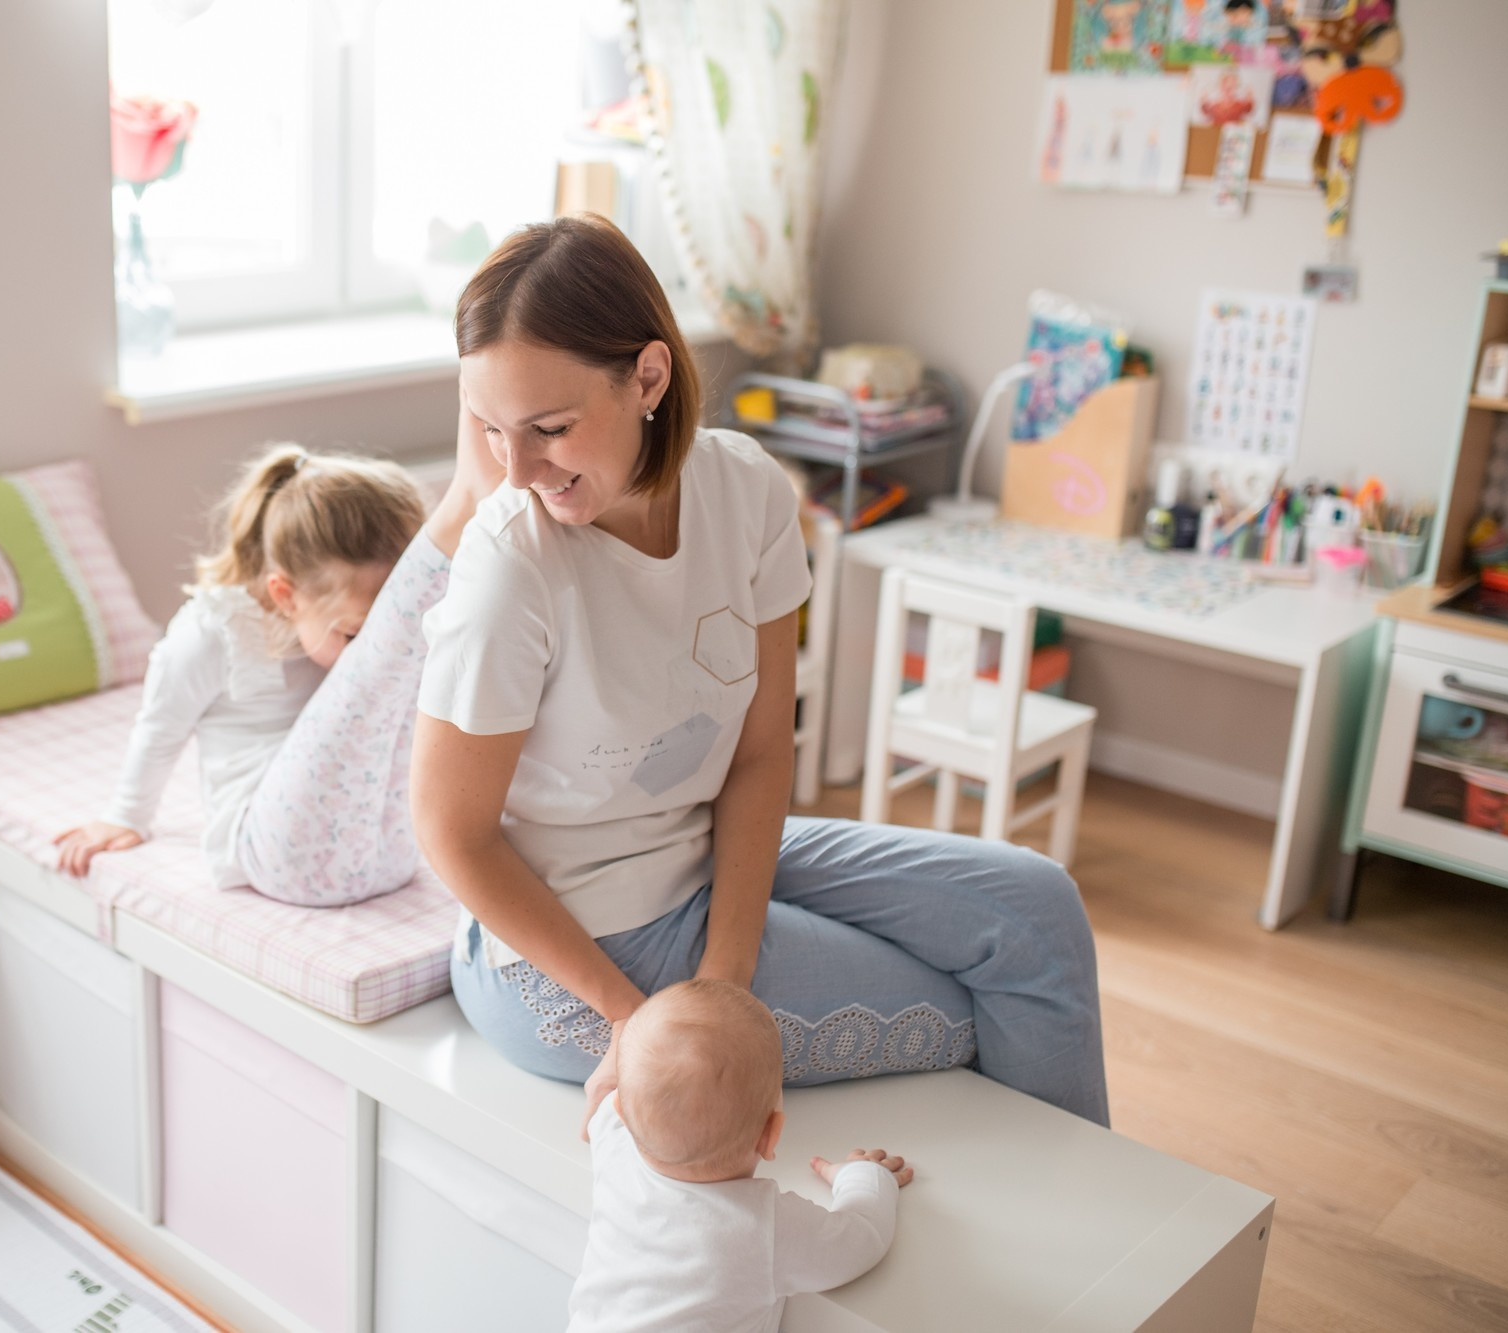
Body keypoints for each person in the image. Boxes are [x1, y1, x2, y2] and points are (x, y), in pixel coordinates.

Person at [411, 214, 1108, 1126]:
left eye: (547, 428)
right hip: (578, 942)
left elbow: (756, 752)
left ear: (649, 377)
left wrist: (727, 979)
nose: (518, 469)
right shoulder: (513, 564)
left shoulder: (748, 493)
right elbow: (451, 833)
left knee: (1034, 912)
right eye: (493, 430)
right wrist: (649, 1020)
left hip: (701, 857)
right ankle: (1052, 1243)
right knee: (991, 1007)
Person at [56, 426, 501, 907]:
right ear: (284, 595)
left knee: (427, 668)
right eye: (353, 633)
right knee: (389, 659)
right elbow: (160, 726)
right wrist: (126, 815)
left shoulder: (334, 621)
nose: (361, 647)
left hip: (389, 853)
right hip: (277, 848)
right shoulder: (214, 630)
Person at [569, 979, 911, 1333]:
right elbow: (863, 1241)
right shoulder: (766, 1227)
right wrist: (865, 1176)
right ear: (770, 1135)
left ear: (622, 1112)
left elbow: (608, 1104)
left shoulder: (613, 1146)